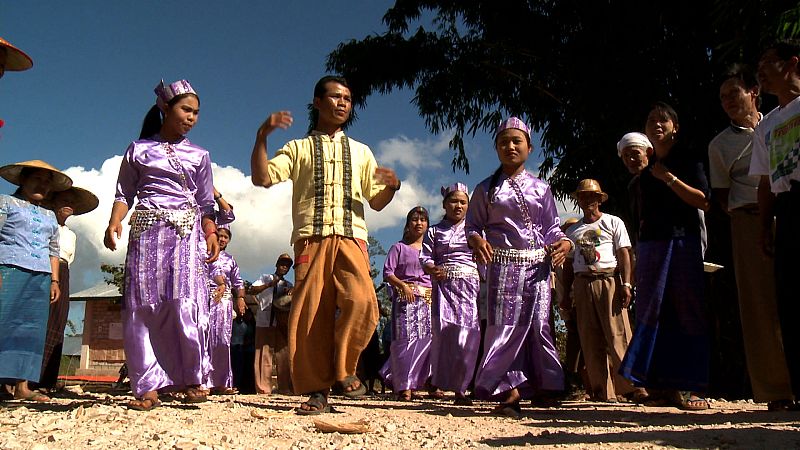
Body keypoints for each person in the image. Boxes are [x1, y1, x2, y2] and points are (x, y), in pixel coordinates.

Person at [249, 75, 400, 414]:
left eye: (347, 98)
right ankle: (318, 391)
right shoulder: (298, 148)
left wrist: (393, 186)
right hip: (311, 238)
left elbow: (376, 202)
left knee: (362, 302)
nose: (343, 103)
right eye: (335, 96)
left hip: (352, 237)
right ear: (317, 102)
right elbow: (262, 178)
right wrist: (261, 136)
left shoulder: (362, 152)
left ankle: (345, 370)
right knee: (312, 313)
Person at [104, 79, 219, 411]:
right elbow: (124, 193)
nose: (192, 118)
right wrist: (114, 221)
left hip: (187, 231)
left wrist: (210, 232)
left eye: (196, 113)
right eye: (186, 110)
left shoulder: (200, 155)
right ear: (164, 109)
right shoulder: (138, 150)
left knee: (185, 300)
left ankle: (192, 376)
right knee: (143, 303)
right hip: (146, 230)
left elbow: (206, 202)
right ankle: (147, 385)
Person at [465, 117, 571, 418]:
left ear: (529, 147)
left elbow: (552, 228)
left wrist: (565, 244)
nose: (510, 146)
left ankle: (545, 385)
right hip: (503, 267)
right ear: (496, 148)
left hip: (537, 267)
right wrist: (475, 240)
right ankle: (507, 391)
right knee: (505, 328)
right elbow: (471, 225)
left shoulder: (542, 188)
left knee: (540, 325)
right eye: (503, 142)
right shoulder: (486, 189)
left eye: (516, 141)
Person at [709, 64, 793, 410]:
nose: (728, 100)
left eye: (734, 93)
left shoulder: (783, 121)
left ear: (753, 92)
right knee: (759, 306)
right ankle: (776, 392)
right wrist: (748, 217)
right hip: (745, 220)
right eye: (723, 97)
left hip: (790, 214)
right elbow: (722, 196)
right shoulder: (719, 145)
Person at [619, 102, 711, 411]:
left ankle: (692, 388)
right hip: (651, 247)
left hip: (682, 243)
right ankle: (659, 385)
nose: (656, 124)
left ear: (675, 127)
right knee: (652, 310)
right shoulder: (643, 177)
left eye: (663, 119)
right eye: (650, 119)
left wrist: (668, 178)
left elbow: (703, 200)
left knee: (686, 309)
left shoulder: (688, 158)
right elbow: (641, 221)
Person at [562, 179, 647, 403]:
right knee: (590, 338)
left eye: (592, 196)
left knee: (619, 334)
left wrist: (627, 284)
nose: (587, 200)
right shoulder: (573, 230)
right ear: (578, 200)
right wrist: (565, 295)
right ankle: (602, 390)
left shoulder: (613, 222)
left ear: (600, 199)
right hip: (582, 283)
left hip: (608, 279)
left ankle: (633, 387)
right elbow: (569, 265)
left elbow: (624, 254)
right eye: (583, 196)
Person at [749, 39, 800, 409]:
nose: (761, 70)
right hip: (789, 209)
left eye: (768, 62)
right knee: (791, 301)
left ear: (792, 63)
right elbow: (765, 181)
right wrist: (765, 226)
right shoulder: (767, 124)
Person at [0, 160, 72, 402]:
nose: (42, 185)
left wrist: (55, 281)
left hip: (40, 275)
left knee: (31, 329)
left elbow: (53, 249)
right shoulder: (5, 203)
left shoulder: (49, 215)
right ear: (23, 180)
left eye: (46, 182)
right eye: (36, 179)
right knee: (4, 323)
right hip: (9, 268)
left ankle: (22, 385)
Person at [421, 183, 481, 405]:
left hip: (469, 286)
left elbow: (483, 256)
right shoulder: (435, 231)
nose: (458, 205)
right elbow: (425, 257)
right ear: (445, 204)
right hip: (444, 287)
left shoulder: (475, 231)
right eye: (454, 201)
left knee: (467, 334)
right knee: (445, 334)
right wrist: (430, 268)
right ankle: (439, 380)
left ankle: (462, 389)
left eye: (463, 202)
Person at [37, 186, 98, 390]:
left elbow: (68, 260)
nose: (68, 205)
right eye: (64, 200)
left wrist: (59, 278)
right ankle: (22, 379)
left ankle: (47, 380)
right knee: (37, 320)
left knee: (57, 321)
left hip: (63, 272)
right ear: (53, 202)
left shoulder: (71, 235)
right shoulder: (43, 224)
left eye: (71, 202)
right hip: (42, 269)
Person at [381, 206, 433, 401]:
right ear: (407, 224)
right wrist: (403, 286)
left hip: (428, 300)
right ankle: (404, 385)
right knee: (405, 342)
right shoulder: (399, 247)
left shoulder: (431, 250)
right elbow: (388, 272)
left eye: (423, 219)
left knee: (426, 342)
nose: (419, 223)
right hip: (406, 300)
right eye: (414, 219)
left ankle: (420, 383)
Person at [206, 223, 244, 395]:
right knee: (203, 339)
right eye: (219, 235)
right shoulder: (203, 252)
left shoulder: (230, 260)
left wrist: (241, 299)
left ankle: (221, 382)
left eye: (225, 237)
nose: (221, 239)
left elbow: (238, 282)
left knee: (222, 340)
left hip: (224, 303)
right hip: (205, 298)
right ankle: (203, 382)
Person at [248, 253, 294, 394]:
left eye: (287, 266)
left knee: (283, 354)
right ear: (277, 264)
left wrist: (292, 291)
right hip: (265, 320)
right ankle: (263, 387)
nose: (284, 267)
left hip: (280, 322)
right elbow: (252, 290)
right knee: (263, 353)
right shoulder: (265, 277)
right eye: (282, 264)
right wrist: (269, 284)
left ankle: (285, 387)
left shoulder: (288, 284)